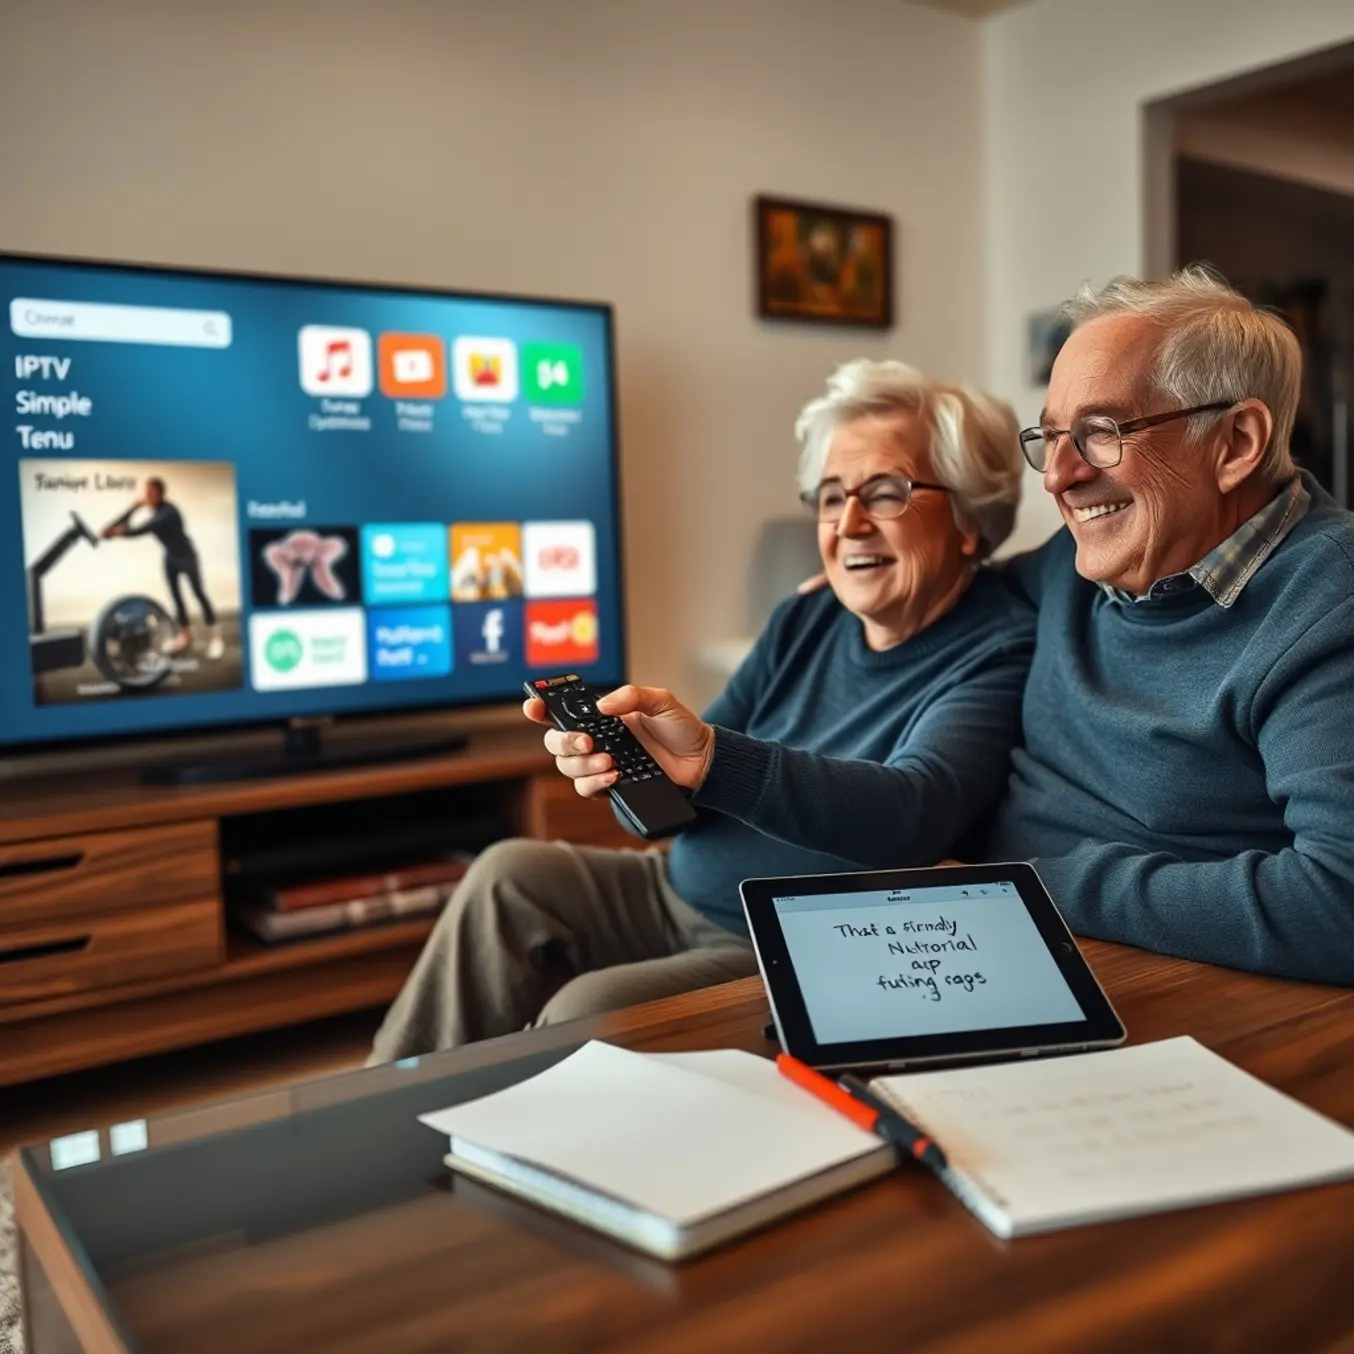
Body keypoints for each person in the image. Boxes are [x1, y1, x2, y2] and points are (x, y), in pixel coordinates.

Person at [369, 360, 1035, 1061]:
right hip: (675, 886)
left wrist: (712, 760)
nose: (850, 524)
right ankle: (379, 1111)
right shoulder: (807, 616)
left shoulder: (995, 652)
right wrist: (629, 762)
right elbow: (688, 789)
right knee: (509, 874)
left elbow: (914, 811)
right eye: (832, 497)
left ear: (969, 519)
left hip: (798, 938)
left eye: (886, 493)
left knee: (586, 1013)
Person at [978, 265, 1354, 984]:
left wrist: (1038, 886)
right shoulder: (1075, 563)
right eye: (1051, 436)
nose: (1057, 477)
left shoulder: (1330, 599)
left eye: (1099, 431)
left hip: (1173, 983)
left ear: (1237, 442)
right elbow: (951, 598)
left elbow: (1340, 901)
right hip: (1008, 941)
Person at [102, 477, 223, 659]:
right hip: (170, 558)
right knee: (175, 596)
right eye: (146, 492)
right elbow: (124, 524)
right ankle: (185, 636)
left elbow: (139, 530)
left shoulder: (168, 513)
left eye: (151, 492)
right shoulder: (157, 510)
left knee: (198, 593)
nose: (147, 496)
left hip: (187, 556)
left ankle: (215, 638)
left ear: (160, 494)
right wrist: (132, 509)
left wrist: (117, 532)